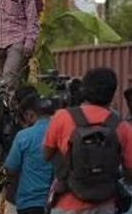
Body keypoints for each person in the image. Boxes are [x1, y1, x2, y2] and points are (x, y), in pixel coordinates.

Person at [43, 67, 132, 214]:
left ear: (85, 89)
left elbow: (46, 155)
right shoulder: (122, 126)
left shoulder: (62, 117)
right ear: (113, 93)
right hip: (105, 205)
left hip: (66, 204)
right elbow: (130, 172)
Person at [3, 95, 54, 214]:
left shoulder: (24, 136)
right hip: (56, 201)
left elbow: (10, 168)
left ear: (30, 115)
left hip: (29, 201)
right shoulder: (62, 132)